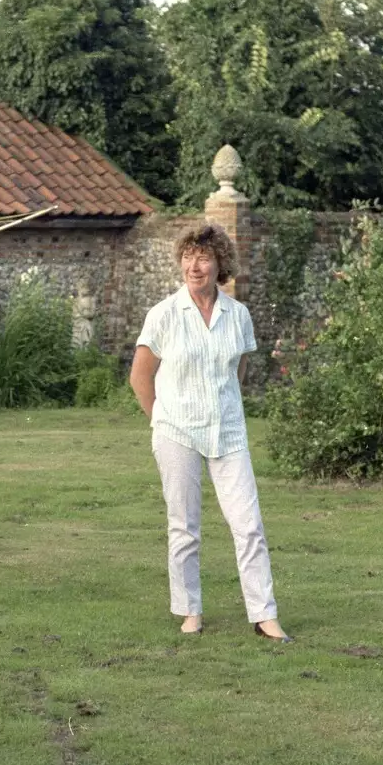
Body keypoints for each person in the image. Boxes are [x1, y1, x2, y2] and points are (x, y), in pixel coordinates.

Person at [129, 223, 291, 642]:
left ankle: (264, 615)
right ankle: (189, 610)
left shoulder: (237, 315)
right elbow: (140, 377)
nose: (194, 265)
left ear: (220, 264)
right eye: (188, 257)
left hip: (228, 431)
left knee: (249, 524)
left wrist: (224, 402)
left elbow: (238, 367)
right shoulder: (164, 314)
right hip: (176, 431)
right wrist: (160, 419)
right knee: (184, 525)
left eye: (203, 257)